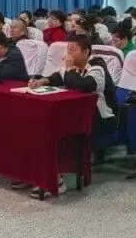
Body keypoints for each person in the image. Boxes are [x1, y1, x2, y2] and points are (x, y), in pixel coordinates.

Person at [27, 34, 117, 196]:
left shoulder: (97, 67)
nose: (68, 54)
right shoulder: (72, 67)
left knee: (57, 131)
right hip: (78, 114)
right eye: (68, 50)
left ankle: (57, 181)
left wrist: (68, 69)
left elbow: (84, 86)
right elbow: (58, 77)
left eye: (73, 50)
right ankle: (37, 173)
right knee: (41, 125)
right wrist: (42, 81)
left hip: (100, 117)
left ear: (86, 52)